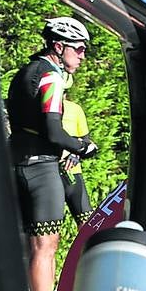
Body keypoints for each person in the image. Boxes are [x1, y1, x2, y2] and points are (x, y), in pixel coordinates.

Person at [6, 17, 97, 291]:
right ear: (59, 46)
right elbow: (54, 131)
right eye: (79, 49)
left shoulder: (24, 73)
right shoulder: (51, 76)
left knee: (21, 245)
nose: (83, 55)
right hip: (42, 168)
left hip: (14, 162)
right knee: (45, 247)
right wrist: (82, 146)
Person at [59, 76, 95, 226]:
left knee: (86, 222)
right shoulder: (38, 109)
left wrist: (76, 154)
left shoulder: (74, 109)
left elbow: (87, 141)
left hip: (71, 172)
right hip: (46, 172)